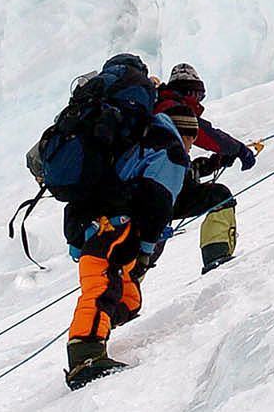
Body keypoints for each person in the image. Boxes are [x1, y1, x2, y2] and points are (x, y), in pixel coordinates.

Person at [61, 54, 190, 390]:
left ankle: (95, 329)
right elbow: (159, 195)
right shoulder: (154, 132)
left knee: (126, 297)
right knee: (102, 287)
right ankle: (86, 354)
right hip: (118, 223)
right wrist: (146, 246)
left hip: (89, 223)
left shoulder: (100, 129)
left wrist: (78, 239)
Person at [155, 63, 258, 274]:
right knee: (219, 196)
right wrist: (238, 149)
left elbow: (167, 164)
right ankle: (217, 259)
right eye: (199, 96)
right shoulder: (171, 109)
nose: (199, 102)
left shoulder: (156, 109)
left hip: (151, 193)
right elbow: (206, 134)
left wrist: (212, 164)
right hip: (157, 196)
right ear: (191, 91)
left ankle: (118, 301)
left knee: (140, 251)